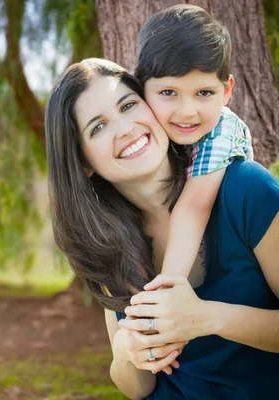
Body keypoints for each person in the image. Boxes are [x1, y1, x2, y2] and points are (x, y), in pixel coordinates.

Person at [44, 58, 279, 399]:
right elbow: (138, 388)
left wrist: (208, 318)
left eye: (128, 105)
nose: (125, 128)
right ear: (82, 162)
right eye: (98, 127)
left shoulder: (245, 190)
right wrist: (127, 352)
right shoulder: (106, 242)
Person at [135, 4, 253, 280]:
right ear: (142, 88)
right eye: (168, 92)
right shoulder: (148, 130)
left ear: (226, 91)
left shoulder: (222, 129)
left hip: (233, 258)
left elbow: (194, 207)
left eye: (203, 92)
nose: (187, 111)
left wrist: (169, 286)